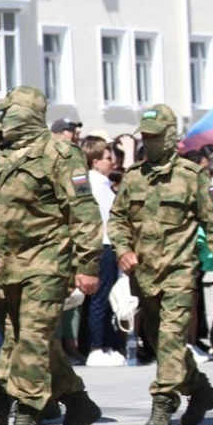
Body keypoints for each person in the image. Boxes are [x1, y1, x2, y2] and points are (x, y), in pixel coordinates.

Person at [0, 87, 103, 425]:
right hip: (7, 267)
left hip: (47, 263)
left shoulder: (60, 154)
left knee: (30, 339)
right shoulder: (3, 158)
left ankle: (27, 413)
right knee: (30, 342)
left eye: (8, 111)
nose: (1, 118)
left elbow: (83, 212)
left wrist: (88, 263)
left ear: (28, 113)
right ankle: (78, 402)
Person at [108, 106, 213, 425]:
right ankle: (201, 390)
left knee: (170, 337)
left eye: (154, 136)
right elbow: (118, 219)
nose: (147, 142)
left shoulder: (192, 176)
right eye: (145, 136)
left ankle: (164, 401)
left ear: (171, 137)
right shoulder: (134, 176)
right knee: (159, 339)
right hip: (144, 275)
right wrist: (123, 249)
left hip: (179, 270)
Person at [81, 136, 125, 366]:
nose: (112, 162)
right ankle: (96, 347)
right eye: (108, 158)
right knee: (100, 299)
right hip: (102, 244)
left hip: (107, 244)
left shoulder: (103, 183)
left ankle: (106, 345)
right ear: (95, 161)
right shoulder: (94, 183)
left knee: (107, 298)